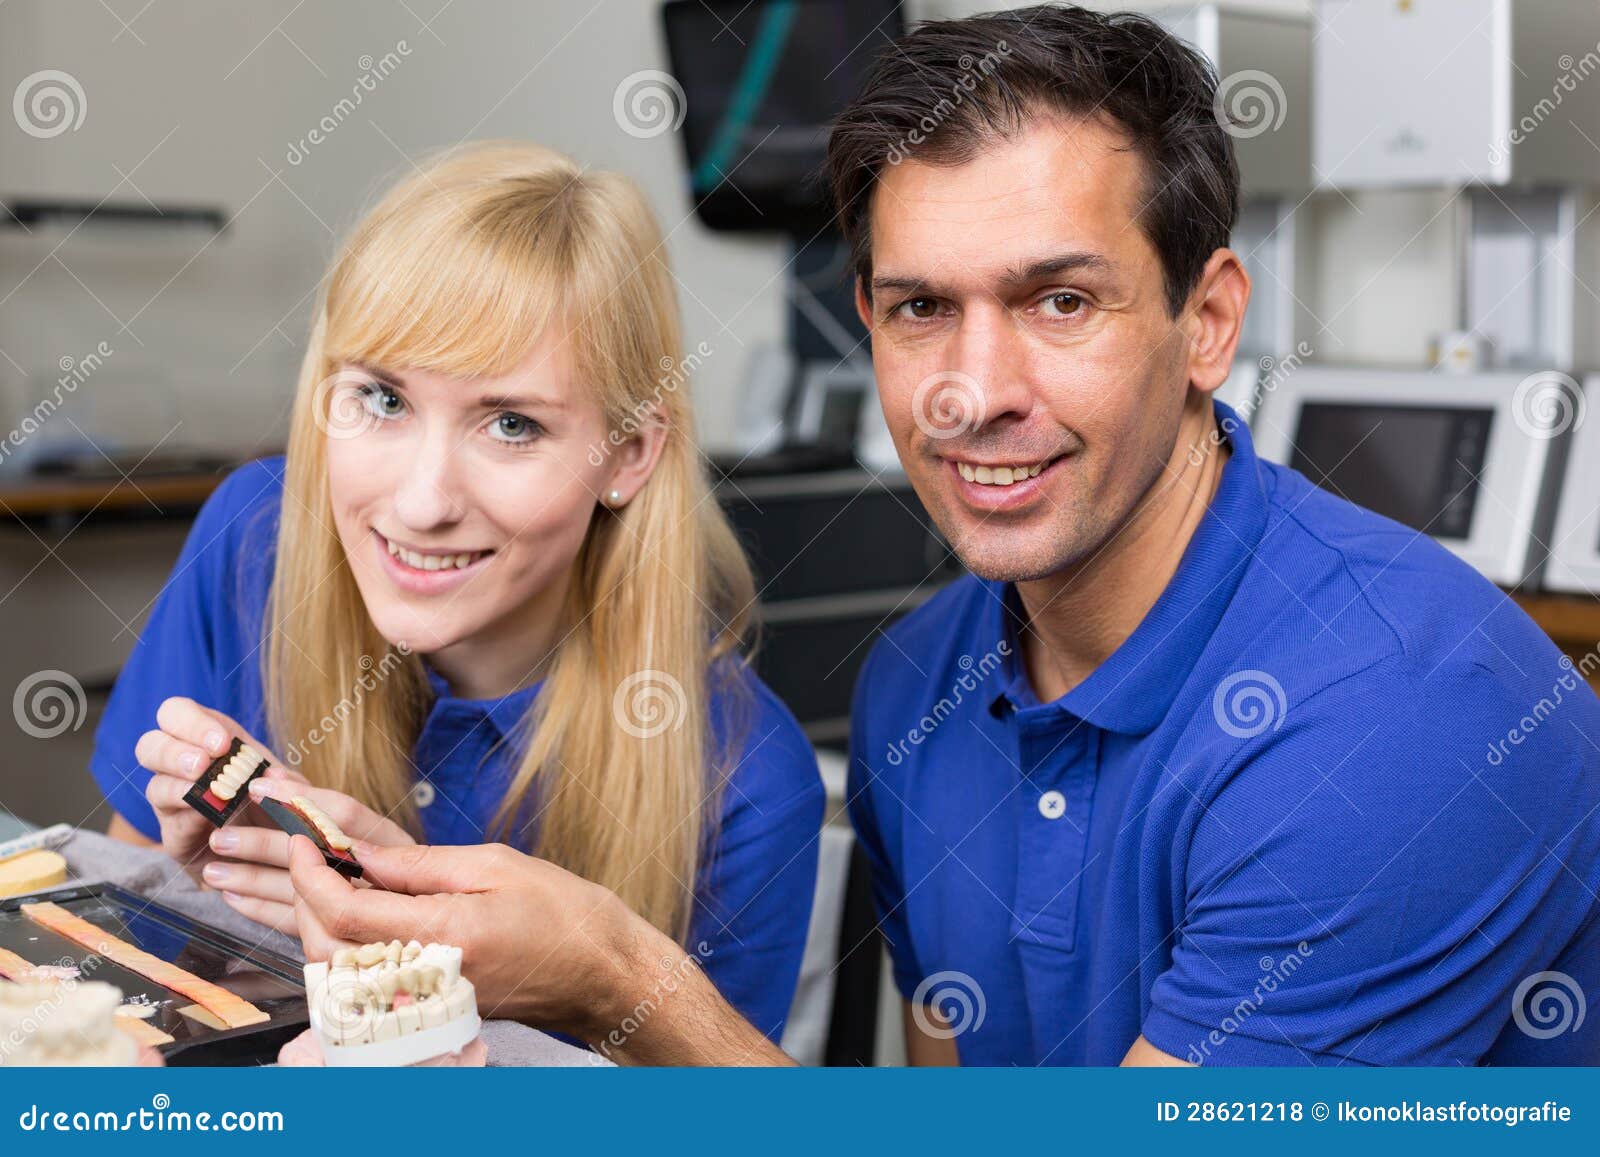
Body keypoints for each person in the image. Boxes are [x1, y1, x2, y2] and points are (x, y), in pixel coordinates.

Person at [284, 6, 1600, 1067]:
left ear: (1208, 321)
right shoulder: (926, 682)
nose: (975, 391)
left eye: (1060, 301)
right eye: (922, 310)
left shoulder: (1399, 716)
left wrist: (623, 972)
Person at [93, 140, 824, 1045]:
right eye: (383, 398)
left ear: (629, 455)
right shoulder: (253, 538)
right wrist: (199, 890)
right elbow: (114, 950)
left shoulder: (747, 784)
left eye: (511, 423)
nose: (421, 501)